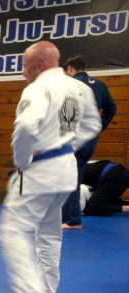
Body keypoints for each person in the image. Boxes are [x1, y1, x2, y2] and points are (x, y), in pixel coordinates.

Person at [0, 41, 101, 293]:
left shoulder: (38, 87)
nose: (22, 72)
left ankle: (28, 288)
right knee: (50, 230)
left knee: (12, 230)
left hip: (40, 169)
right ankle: (47, 287)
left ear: (39, 65)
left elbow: (27, 126)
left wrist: (21, 161)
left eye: (25, 66)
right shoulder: (79, 88)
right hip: (66, 168)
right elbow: (93, 125)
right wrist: (64, 146)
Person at [61, 55, 118, 230]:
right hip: (89, 141)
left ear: (70, 69)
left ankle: (71, 220)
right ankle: (72, 218)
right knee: (75, 179)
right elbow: (112, 108)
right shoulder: (100, 85)